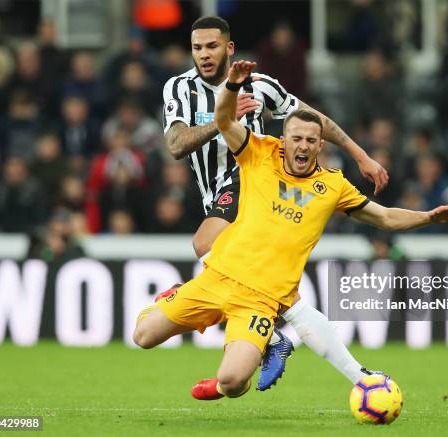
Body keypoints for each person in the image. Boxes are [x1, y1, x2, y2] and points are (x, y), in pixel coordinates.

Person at [133, 60, 448, 401]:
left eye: (310, 140)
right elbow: (222, 121)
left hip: (260, 303)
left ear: (320, 146)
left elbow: (385, 218)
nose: (302, 146)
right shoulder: (258, 152)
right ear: (284, 139)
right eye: (296, 139)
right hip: (216, 279)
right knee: (142, 336)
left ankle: (232, 376)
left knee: (232, 384)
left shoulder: (333, 186)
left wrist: (427, 217)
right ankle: (181, 298)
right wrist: (231, 86)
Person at [161, 16, 389, 391]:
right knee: (267, 290)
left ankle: (260, 333)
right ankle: (276, 342)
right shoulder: (179, 88)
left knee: (204, 244)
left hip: (254, 183)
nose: (204, 54)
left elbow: (314, 121)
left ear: (229, 48)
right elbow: (175, 145)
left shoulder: (260, 86)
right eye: (197, 47)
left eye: (212, 46)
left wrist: (359, 154)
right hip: (212, 194)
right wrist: (224, 119)